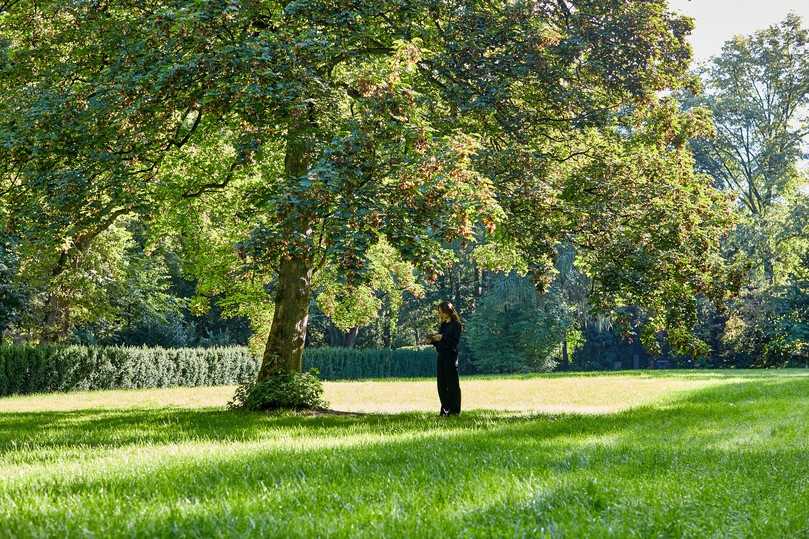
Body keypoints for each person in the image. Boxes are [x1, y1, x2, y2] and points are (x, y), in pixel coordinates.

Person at [423, 301, 463, 416]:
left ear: (448, 312)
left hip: (451, 356)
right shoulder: (443, 325)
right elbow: (440, 342)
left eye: (441, 312)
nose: (440, 314)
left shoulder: (456, 325)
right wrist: (433, 340)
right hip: (441, 356)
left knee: (452, 384)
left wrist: (442, 337)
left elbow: (454, 342)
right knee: (441, 385)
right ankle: (445, 409)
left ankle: (455, 411)